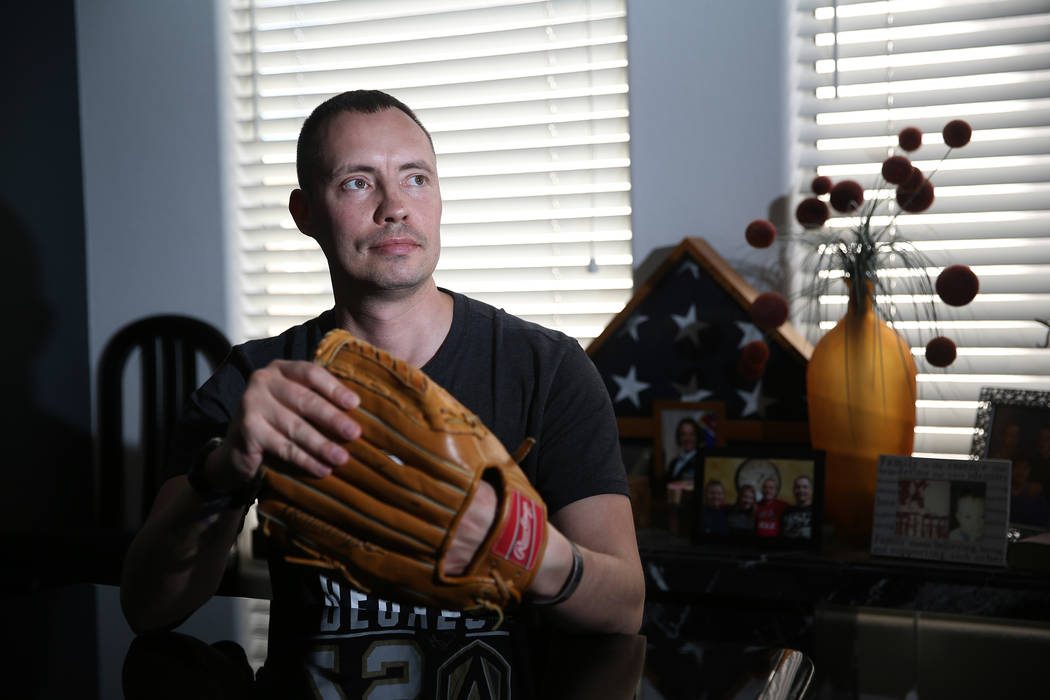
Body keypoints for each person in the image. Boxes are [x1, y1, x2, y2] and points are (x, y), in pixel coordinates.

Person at [119, 90, 645, 698]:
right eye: (356, 183)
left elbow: (624, 607)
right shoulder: (258, 383)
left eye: (415, 178)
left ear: (440, 197)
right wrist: (220, 475)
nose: (395, 207)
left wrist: (521, 548)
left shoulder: (547, 369)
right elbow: (148, 610)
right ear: (304, 212)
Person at [1010, 454, 1049, 529]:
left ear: (1029, 471)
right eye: (1017, 467)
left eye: (1025, 468)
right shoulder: (1003, 492)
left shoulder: (1036, 495)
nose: (1021, 471)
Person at [666, 417, 701, 482]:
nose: (687, 438)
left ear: (697, 436)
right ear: (679, 437)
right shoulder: (674, 462)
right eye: (683, 434)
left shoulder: (701, 461)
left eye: (692, 434)